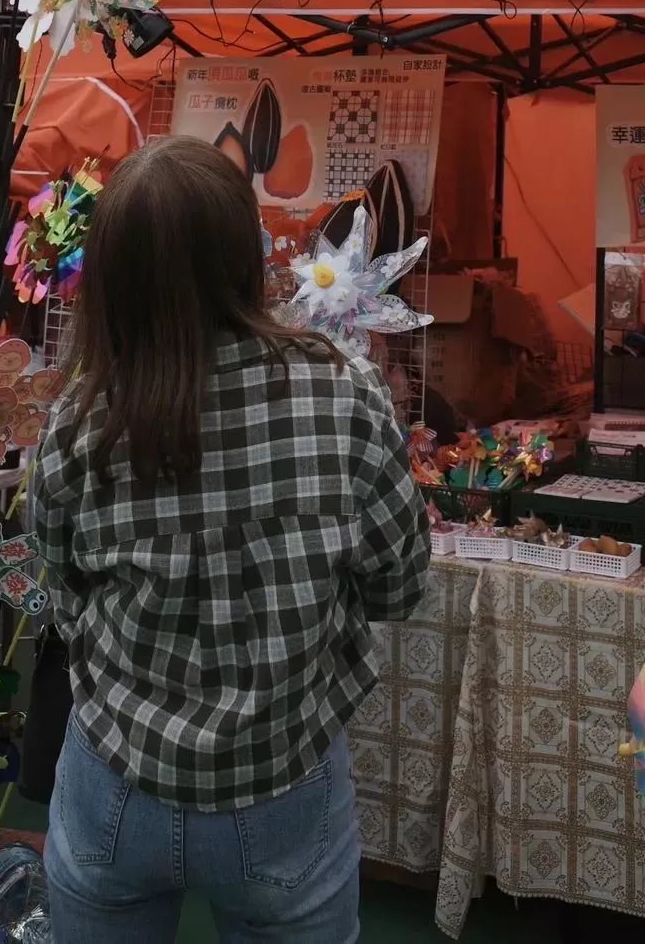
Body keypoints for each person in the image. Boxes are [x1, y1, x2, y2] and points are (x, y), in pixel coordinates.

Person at [34, 136, 430, 944]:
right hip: (283, 780)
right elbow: (399, 584)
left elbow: (64, 596)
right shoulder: (344, 392)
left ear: (110, 275)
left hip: (116, 779)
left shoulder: (78, 422)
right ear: (243, 252)